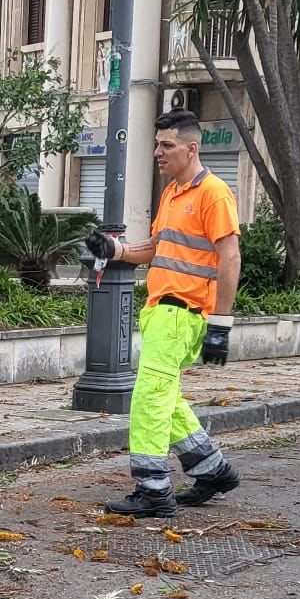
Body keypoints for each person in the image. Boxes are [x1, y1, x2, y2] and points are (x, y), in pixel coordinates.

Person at [85, 110, 242, 517]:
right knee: (166, 398)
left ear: (191, 149)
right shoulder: (173, 192)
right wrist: (115, 251)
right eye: (157, 144)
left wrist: (220, 325)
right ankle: (212, 470)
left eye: (166, 145)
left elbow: (230, 256)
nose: (158, 152)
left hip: (182, 313)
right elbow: (157, 246)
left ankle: (153, 489)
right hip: (162, 312)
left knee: (149, 399)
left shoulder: (214, 193)